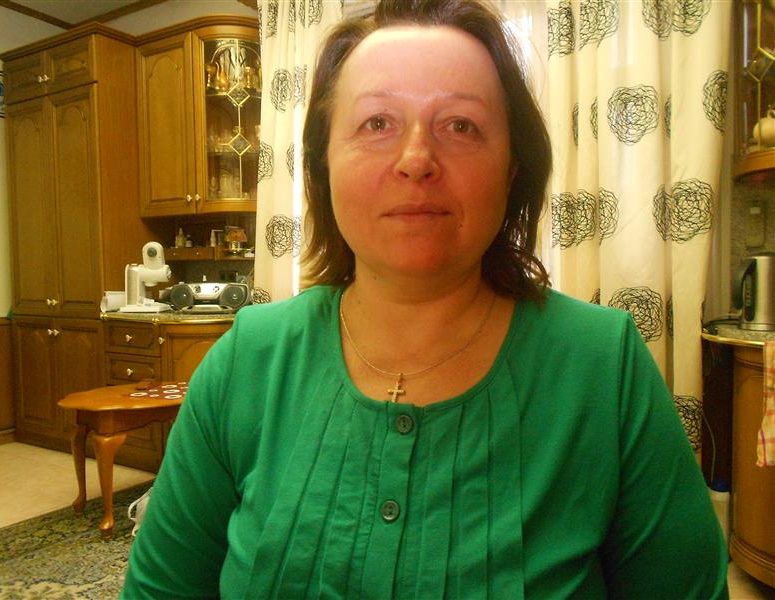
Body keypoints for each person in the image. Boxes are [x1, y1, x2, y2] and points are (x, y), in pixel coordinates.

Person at [122, 1, 728, 598]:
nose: (416, 160)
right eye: (376, 123)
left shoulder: (604, 365)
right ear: (321, 168)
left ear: (512, 169)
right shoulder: (245, 361)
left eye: (461, 126)